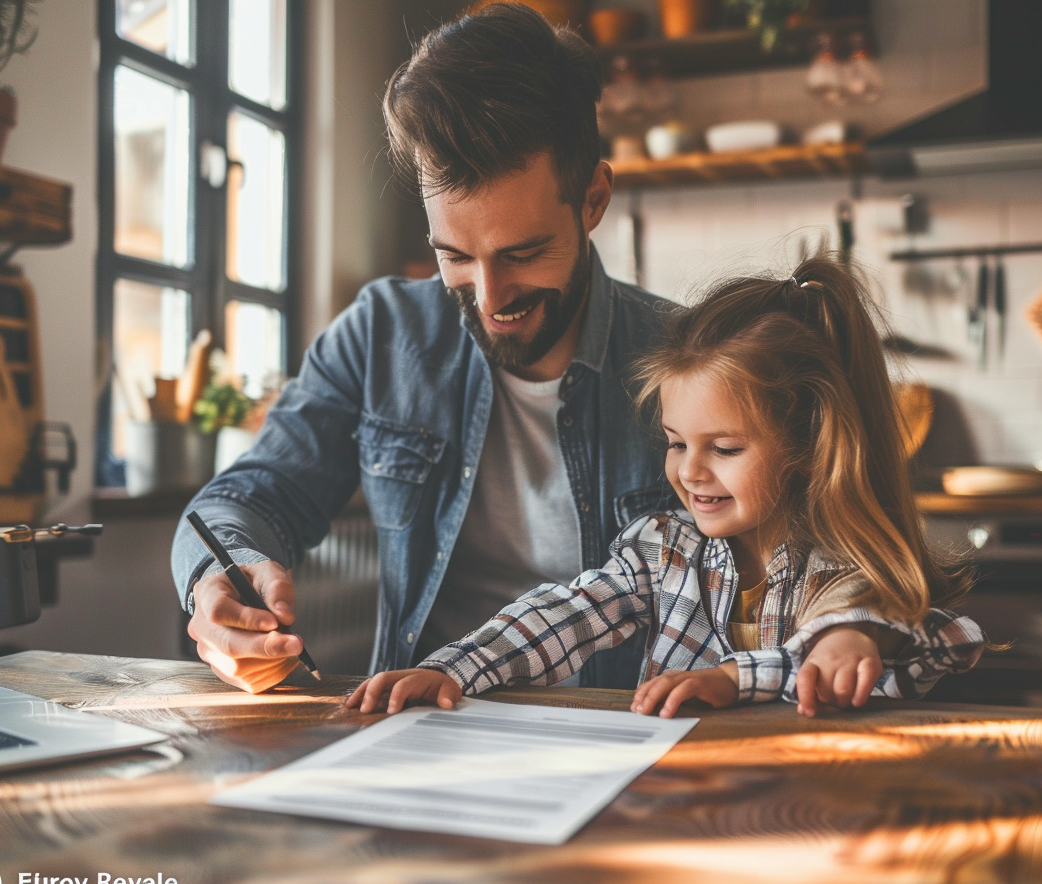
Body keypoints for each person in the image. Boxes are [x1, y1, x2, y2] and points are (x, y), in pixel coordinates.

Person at [171, 3, 677, 694]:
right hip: (418, 725)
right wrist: (216, 580)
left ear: (593, 200)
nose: (492, 295)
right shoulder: (382, 333)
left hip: (630, 739)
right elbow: (251, 496)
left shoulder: (687, 358)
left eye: (523, 253)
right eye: (455, 256)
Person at [346, 254, 986, 718]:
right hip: (679, 804)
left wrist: (819, 651)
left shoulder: (852, 575)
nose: (689, 471)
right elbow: (565, 615)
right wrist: (452, 667)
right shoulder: (663, 548)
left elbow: (941, 640)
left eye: (725, 448)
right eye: (677, 443)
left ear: (807, 444)